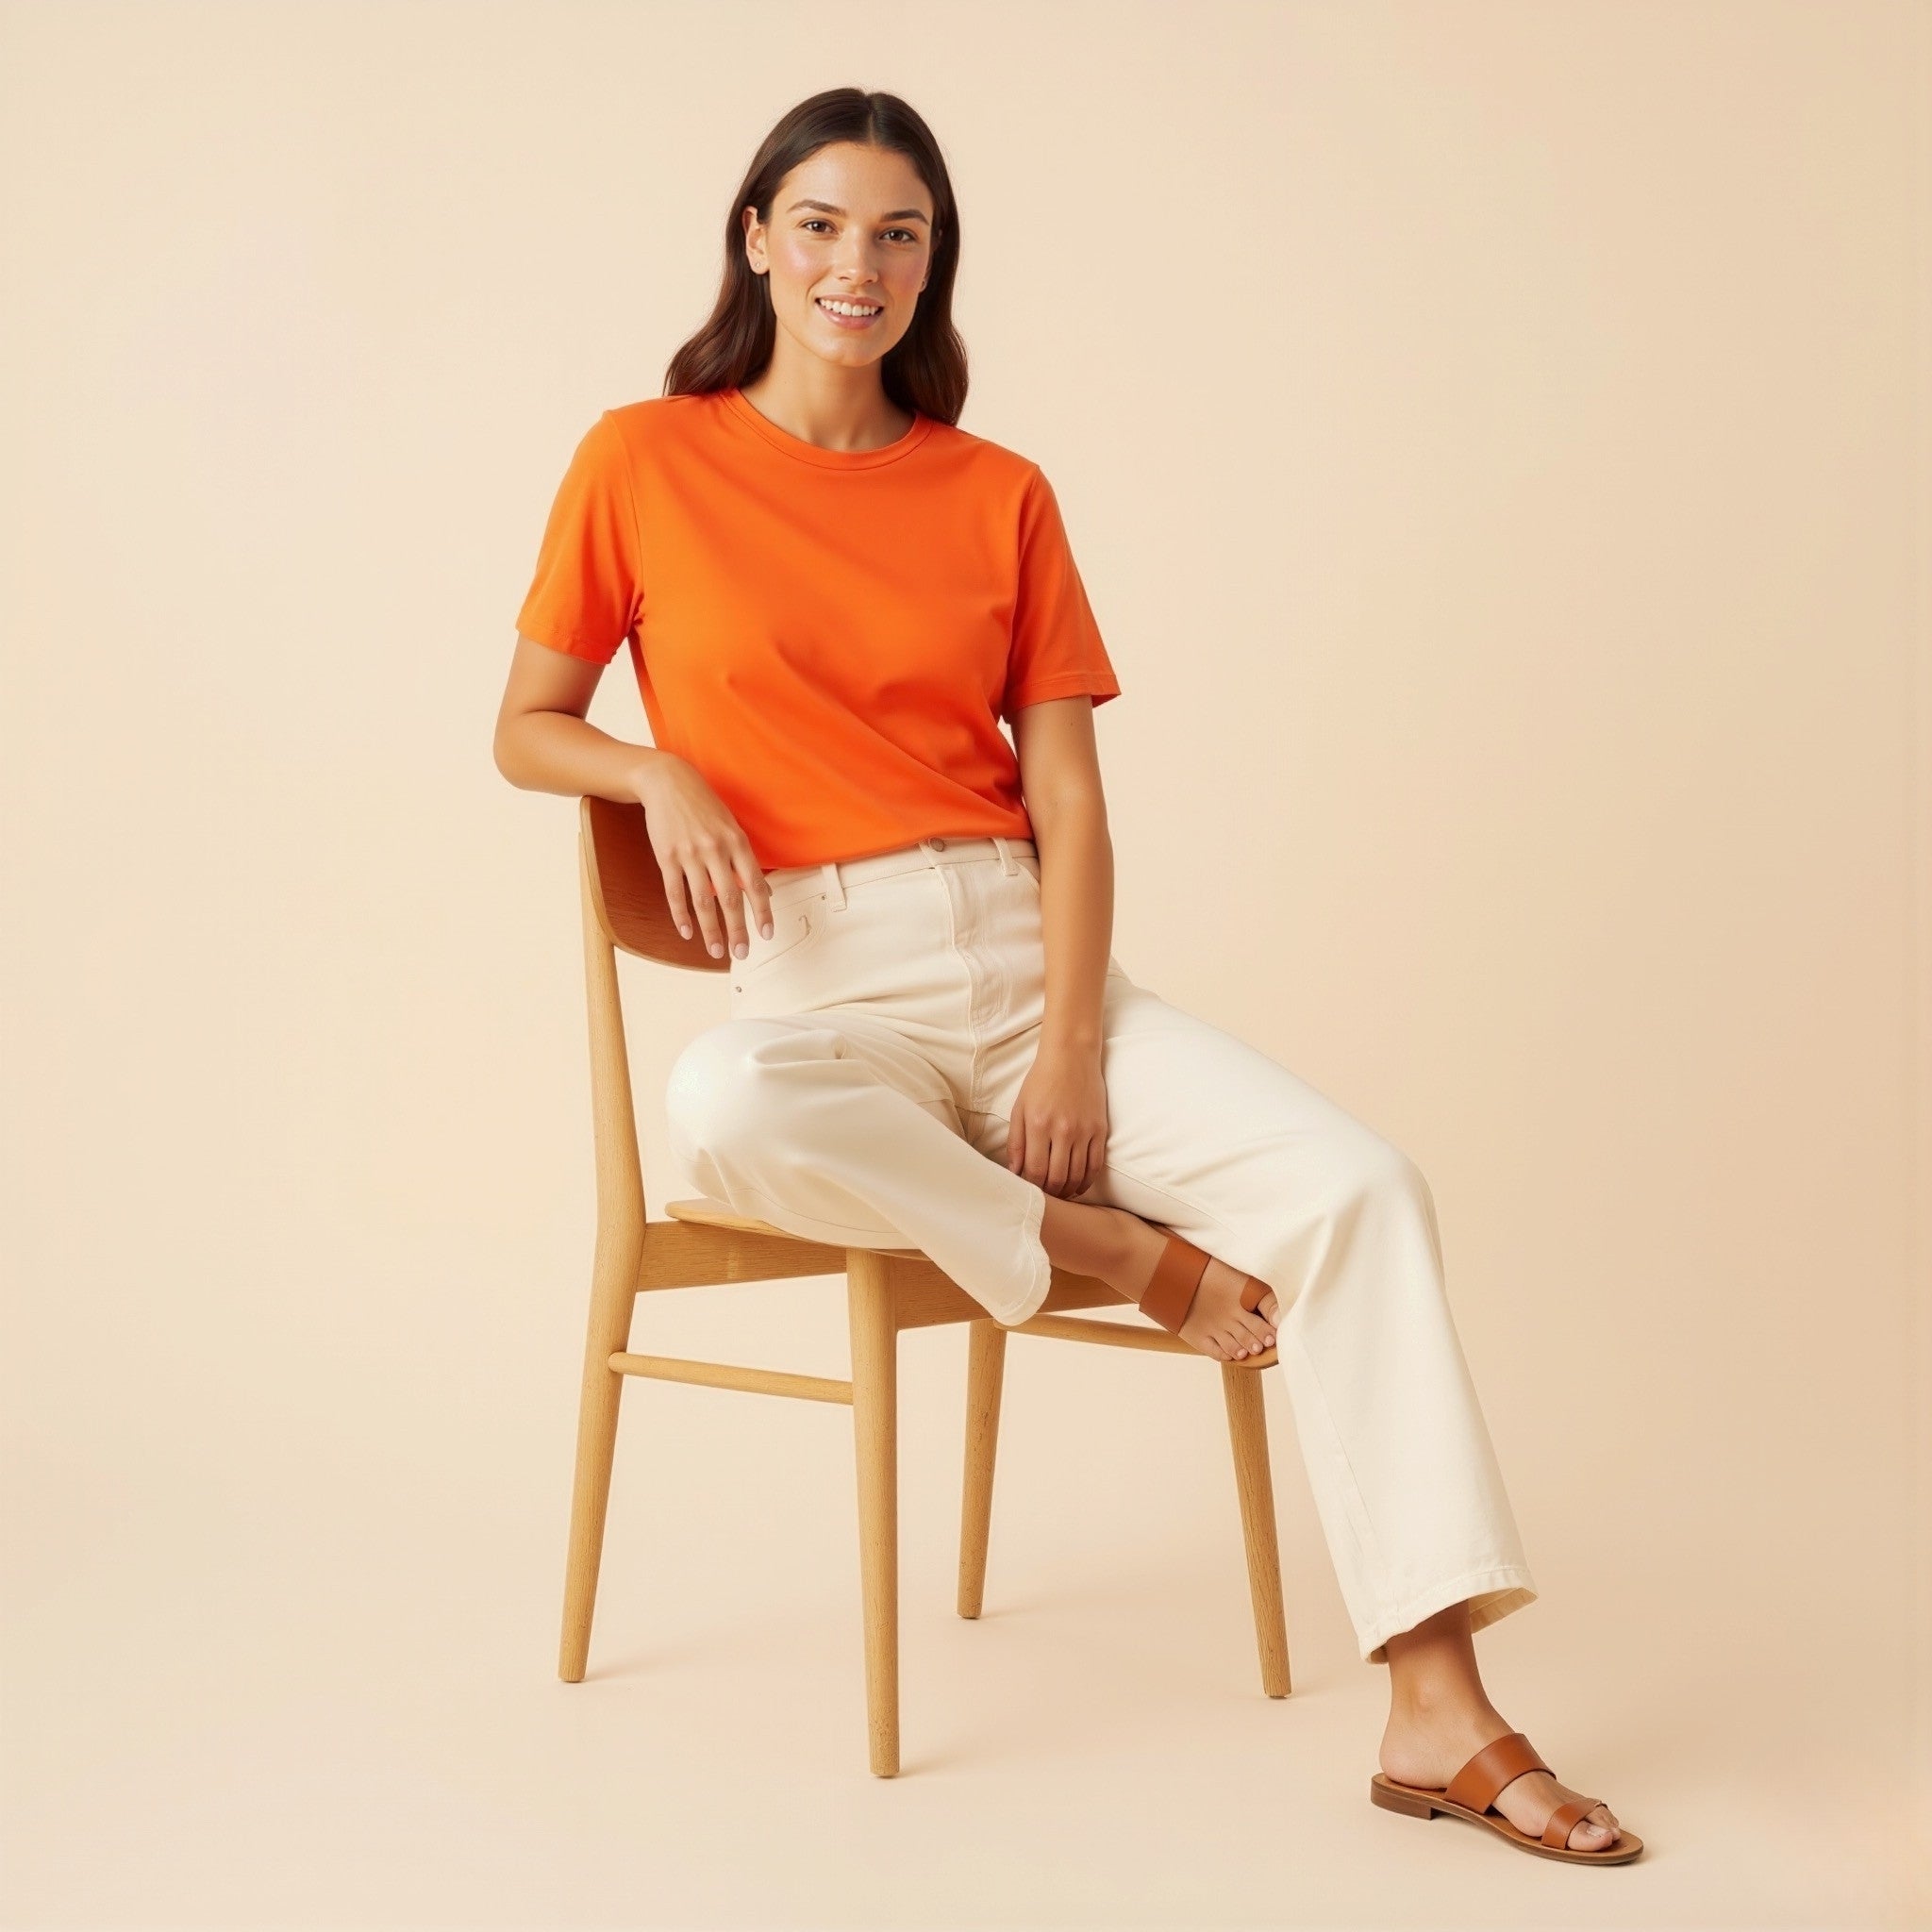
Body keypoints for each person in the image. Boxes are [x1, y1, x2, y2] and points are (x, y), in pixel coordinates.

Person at [492, 86, 1638, 1865]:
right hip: (819, 988)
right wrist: (657, 769)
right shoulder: (640, 461)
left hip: (1025, 960)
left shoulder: (997, 491)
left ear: (933, 265)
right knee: (721, 1103)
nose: (853, 266)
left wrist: (1076, 1056)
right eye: (818, 223)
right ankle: (1107, 1255)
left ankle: (1437, 1703)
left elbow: (1073, 806)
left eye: (897, 234)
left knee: (1359, 1190)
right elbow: (526, 728)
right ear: (754, 239)